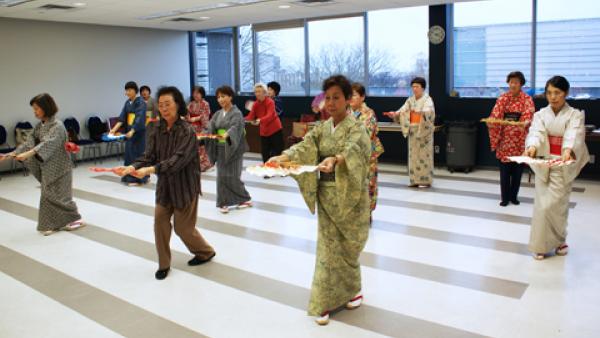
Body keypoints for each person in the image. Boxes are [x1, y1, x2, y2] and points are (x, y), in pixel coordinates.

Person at [268, 75, 371, 326]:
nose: (332, 102)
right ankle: (323, 301)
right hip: (327, 196)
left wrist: (335, 159)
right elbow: (305, 146)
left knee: (347, 249)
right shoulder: (322, 128)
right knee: (327, 250)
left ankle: (353, 289)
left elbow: (355, 149)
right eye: (329, 97)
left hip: (350, 197)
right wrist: (282, 157)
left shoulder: (357, 127)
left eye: (337, 97)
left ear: (348, 100)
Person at [116, 86, 216, 280]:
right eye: (160, 105)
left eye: (167, 104)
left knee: (183, 229)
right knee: (159, 223)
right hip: (165, 187)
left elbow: (178, 160)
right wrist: (132, 166)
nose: (163, 108)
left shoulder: (187, 131)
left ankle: (205, 252)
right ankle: (164, 264)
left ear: (178, 105)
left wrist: (151, 170)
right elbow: (149, 155)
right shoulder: (156, 128)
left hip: (185, 186)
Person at [524, 76, 589, 260]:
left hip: (562, 162)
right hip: (544, 163)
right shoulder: (540, 115)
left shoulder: (574, 114)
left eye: (557, 93)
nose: (553, 97)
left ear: (566, 93)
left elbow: (573, 134)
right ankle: (540, 244)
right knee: (542, 207)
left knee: (558, 206)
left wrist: (568, 149)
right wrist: (532, 146)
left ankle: (559, 240)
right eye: (549, 93)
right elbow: (535, 132)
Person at [1, 94, 83, 235]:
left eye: (37, 108)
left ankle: (73, 219)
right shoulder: (39, 126)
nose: (35, 112)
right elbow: (29, 143)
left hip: (61, 167)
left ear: (46, 108)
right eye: (34, 109)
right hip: (47, 167)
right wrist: (11, 154)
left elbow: (48, 144)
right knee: (47, 196)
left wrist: (27, 154)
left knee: (62, 197)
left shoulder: (58, 125)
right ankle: (51, 223)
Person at [487, 71, 535, 206]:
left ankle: (514, 196)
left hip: (520, 140)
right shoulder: (502, 98)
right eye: (511, 82)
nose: (513, 84)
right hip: (505, 140)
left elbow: (529, 114)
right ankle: (505, 198)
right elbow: (495, 114)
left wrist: (524, 122)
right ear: (508, 83)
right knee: (504, 172)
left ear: (521, 84)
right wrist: (493, 121)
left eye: (516, 82)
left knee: (517, 172)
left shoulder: (527, 99)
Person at [205, 85, 252, 214]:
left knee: (232, 176)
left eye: (223, 96)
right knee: (221, 176)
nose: (220, 99)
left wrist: (228, 134)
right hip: (221, 148)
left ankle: (245, 198)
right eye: (218, 97)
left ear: (230, 97)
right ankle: (223, 202)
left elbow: (236, 127)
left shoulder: (237, 113)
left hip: (233, 147)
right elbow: (211, 126)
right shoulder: (218, 114)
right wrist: (206, 133)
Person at [384, 77, 435, 187]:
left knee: (424, 157)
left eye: (417, 86)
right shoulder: (410, 100)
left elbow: (429, 112)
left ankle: (425, 181)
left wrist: (422, 112)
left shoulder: (427, 100)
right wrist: (395, 114)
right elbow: (403, 110)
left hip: (423, 132)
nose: (414, 89)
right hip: (413, 131)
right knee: (413, 157)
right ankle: (414, 180)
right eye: (413, 86)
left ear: (423, 88)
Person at [350, 82, 384, 220]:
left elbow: (365, 134)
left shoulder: (369, 114)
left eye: (354, 95)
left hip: (366, 157)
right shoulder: (346, 113)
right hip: (350, 157)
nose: (350, 98)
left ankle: (366, 214)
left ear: (362, 97)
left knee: (368, 184)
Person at [109, 81, 148, 186]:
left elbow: (139, 119)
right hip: (129, 133)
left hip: (138, 133)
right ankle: (130, 177)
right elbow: (122, 118)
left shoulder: (141, 103)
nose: (128, 92)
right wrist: (113, 129)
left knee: (138, 156)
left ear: (135, 91)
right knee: (129, 155)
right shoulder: (127, 103)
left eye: (130, 90)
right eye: (126, 90)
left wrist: (133, 130)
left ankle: (140, 179)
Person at [245, 83, 284, 164]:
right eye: (255, 92)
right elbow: (250, 116)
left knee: (277, 151)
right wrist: (241, 120)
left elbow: (270, 115)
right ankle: (267, 170)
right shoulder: (255, 104)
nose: (257, 93)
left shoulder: (270, 102)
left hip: (275, 130)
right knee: (265, 152)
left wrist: (259, 120)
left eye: (259, 91)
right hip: (264, 132)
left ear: (264, 92)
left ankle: (277, 169)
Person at [186, 86, 213, 172]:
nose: (196, 95)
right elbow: (186, 113)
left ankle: (204, 164)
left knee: (201, 146)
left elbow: (205, 116)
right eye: (194, 93)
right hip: (191, 128)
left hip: (201, 128)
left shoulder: (205, 104)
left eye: (198, 93)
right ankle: (194, 163)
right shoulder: (191, 104)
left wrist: (196, 118)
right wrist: (187, 117)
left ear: (202, 94)